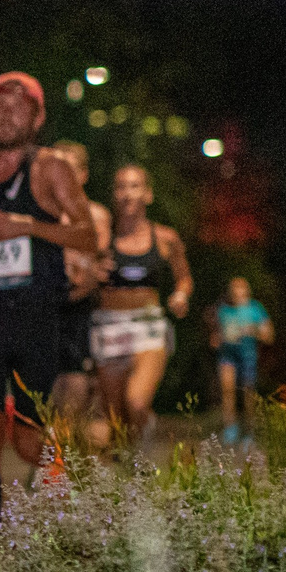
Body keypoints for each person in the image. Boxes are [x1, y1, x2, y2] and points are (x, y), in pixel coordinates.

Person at [0, 72, 99, 524]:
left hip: (33, 317)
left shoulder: (51, 167)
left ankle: (75, 508)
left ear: (38, 116)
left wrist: (28, 226)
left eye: (19, 107)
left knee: (30, 441)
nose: (7, 114)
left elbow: (89, 235)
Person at [87, 163, 193, 452]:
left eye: (134, 186)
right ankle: (131, 467)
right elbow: (81, 276)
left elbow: (184, 277)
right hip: (108, 325)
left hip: (148, 326)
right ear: (114, 194)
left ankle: (142, 443)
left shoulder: (165, 237)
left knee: (136, 402)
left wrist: (180, 296)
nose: (127, 194)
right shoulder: (102, 237)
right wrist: (92, 272)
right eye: (120, 186)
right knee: (115, 419)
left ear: (148, 194)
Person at [46, 139, 112, 435]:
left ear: (83, 174)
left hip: (82, 308)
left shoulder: (97, 215)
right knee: (46, 383)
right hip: (47, 305)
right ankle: (51, 459)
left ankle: (64, 458)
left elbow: (102, 261)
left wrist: (86, 276)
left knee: (75, 380)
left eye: (69, 169)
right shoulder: (42, 213)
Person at [212, 277, 273, 443]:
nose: (237, 291)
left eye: (240, 288)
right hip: (227, 355)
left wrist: (252, 329)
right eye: (234, 288)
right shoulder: (223, 310)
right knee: (227, 391)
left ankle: (250, 430)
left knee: (248, 394)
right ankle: (230, 429)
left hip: (248, 357)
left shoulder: (255, 309)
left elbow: (269, 336)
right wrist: (217, 338)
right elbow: (216, 333)